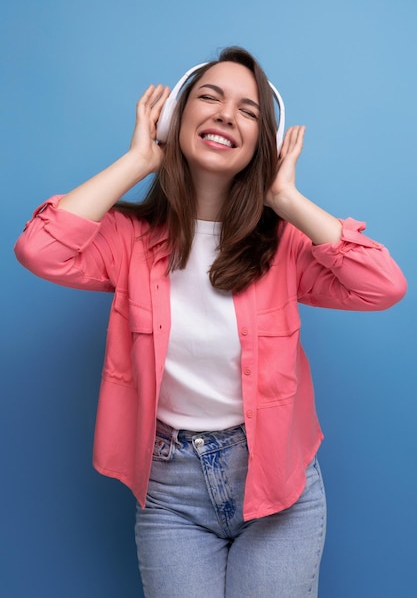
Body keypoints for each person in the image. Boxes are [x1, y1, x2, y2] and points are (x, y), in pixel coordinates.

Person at [15, 46, 406, 597]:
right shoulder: (126, 240)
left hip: (277, 485)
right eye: (210, 97)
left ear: (259, 143)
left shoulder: (284, 245)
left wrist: (287, 199)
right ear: (175, 119)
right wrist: (137, 161)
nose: (227, 114)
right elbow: (39, 250)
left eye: (248, 110)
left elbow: (383, 285)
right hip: (170, 491)